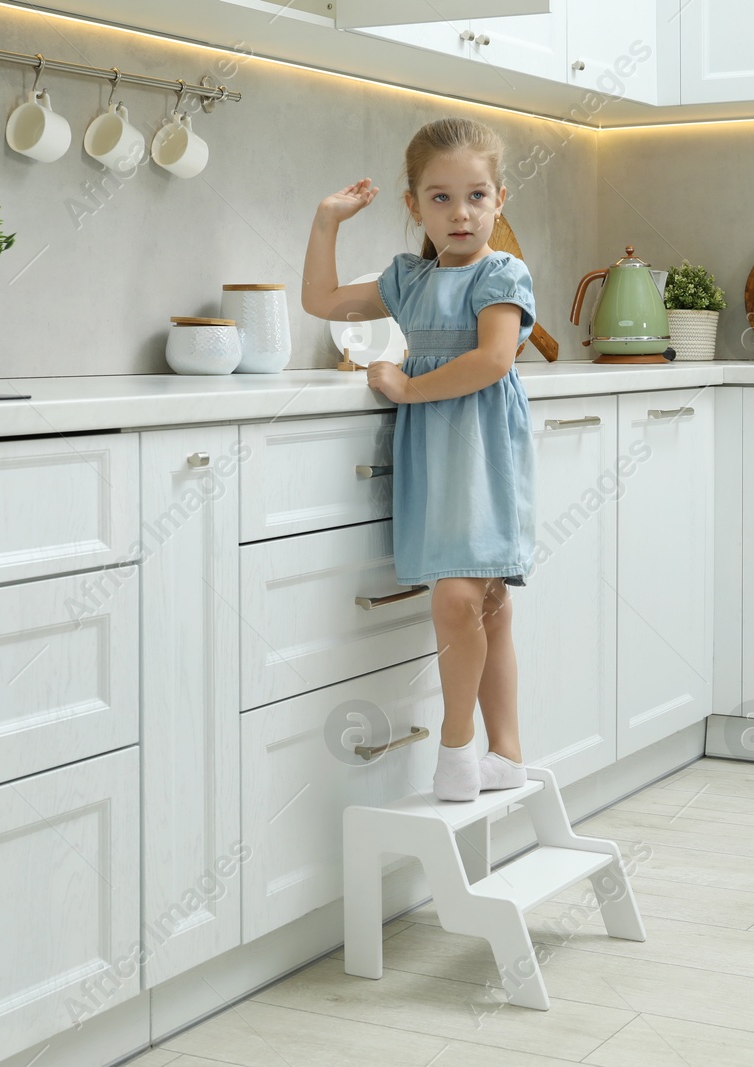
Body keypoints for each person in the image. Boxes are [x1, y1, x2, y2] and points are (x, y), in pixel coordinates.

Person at [300, 117, 537, 802]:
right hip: (434, 456)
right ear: (413, 206)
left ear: (499, 200)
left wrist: (406, 386)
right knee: (484, 603)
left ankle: (458, 749)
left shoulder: (503, 272)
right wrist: (326, 221)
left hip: (483, 455)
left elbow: (493, 360)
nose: (459, 213)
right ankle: (508, 754)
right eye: (440, 198)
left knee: (459, 598)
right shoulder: (407, 278)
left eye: (476, 196)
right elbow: (320, 300)